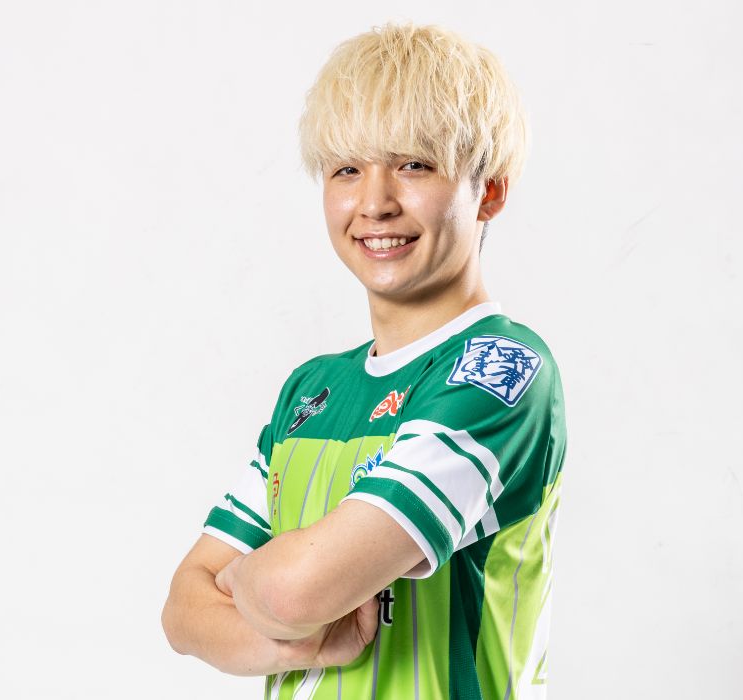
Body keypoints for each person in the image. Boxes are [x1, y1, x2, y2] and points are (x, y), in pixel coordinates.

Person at [162, 21, 567, 699]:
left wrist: (256, 582)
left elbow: (291, 592)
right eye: (347, 169)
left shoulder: (502, 369)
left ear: (490, 190)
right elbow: (182, 611)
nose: (375, 203)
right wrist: (302, 632)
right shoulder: (312, 389)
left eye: (414, 165)